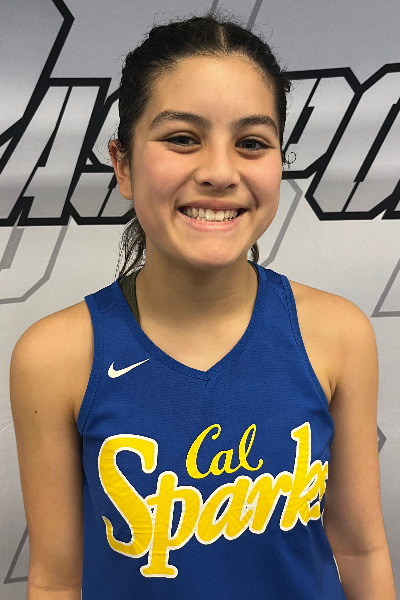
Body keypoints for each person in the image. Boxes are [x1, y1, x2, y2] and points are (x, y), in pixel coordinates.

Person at [10, 11, 396, 600]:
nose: (219, 172)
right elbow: (57, 582)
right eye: (182, 138)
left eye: (251, 143)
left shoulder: (339, 334)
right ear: (123, 165)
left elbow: (360, 550)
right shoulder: (53, 356)